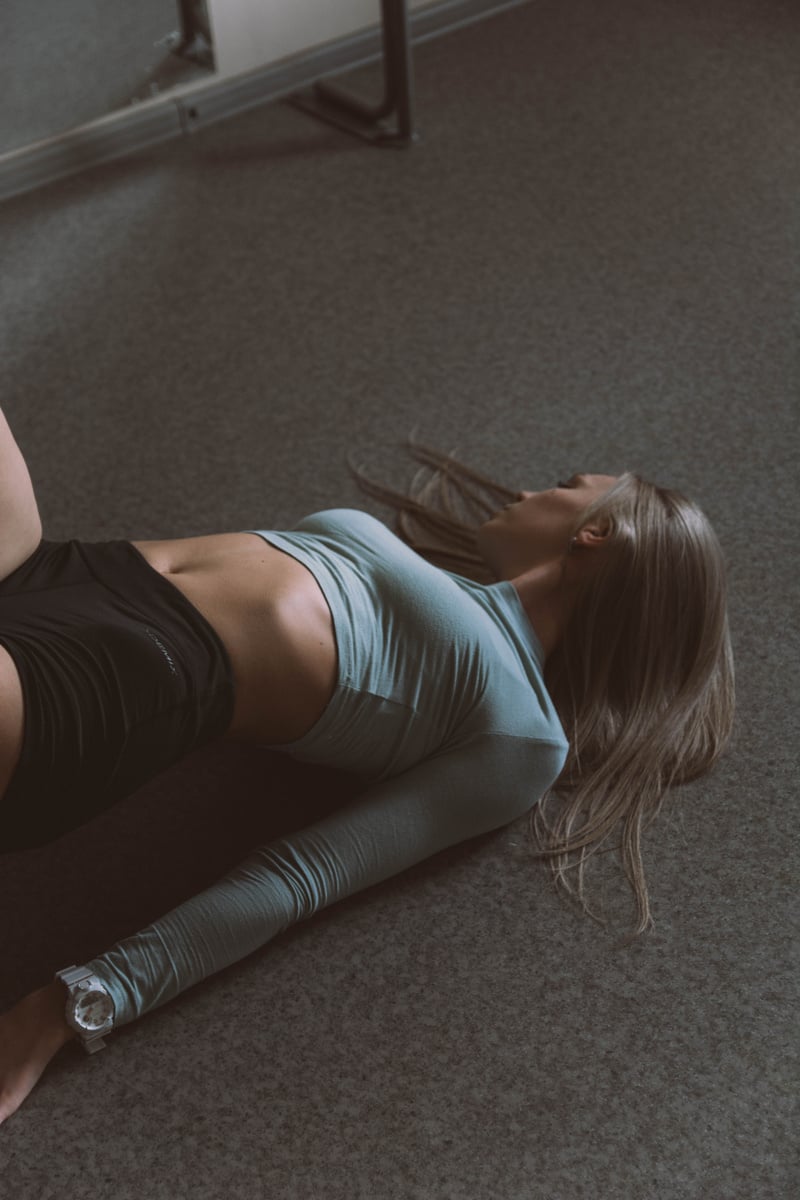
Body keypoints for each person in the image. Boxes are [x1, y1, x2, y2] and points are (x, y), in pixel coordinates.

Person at [0, 414, 734, 1125]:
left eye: (567, 484)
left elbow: (296, 879)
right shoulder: (445, 586)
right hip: (58, 569)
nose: (532, 490)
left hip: (104, 684)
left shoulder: (523, 736)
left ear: (596, 530)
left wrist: (70, 1008)